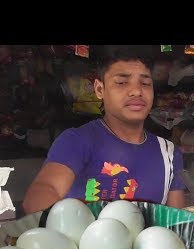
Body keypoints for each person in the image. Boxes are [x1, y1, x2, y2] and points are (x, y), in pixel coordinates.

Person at [23, 46, 185, 214]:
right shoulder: (77, 141)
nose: (137, 91)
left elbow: (179, 222)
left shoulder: (169, 154)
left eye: (145, 83)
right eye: (122, 82)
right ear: (100, 89)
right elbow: (45, 190)